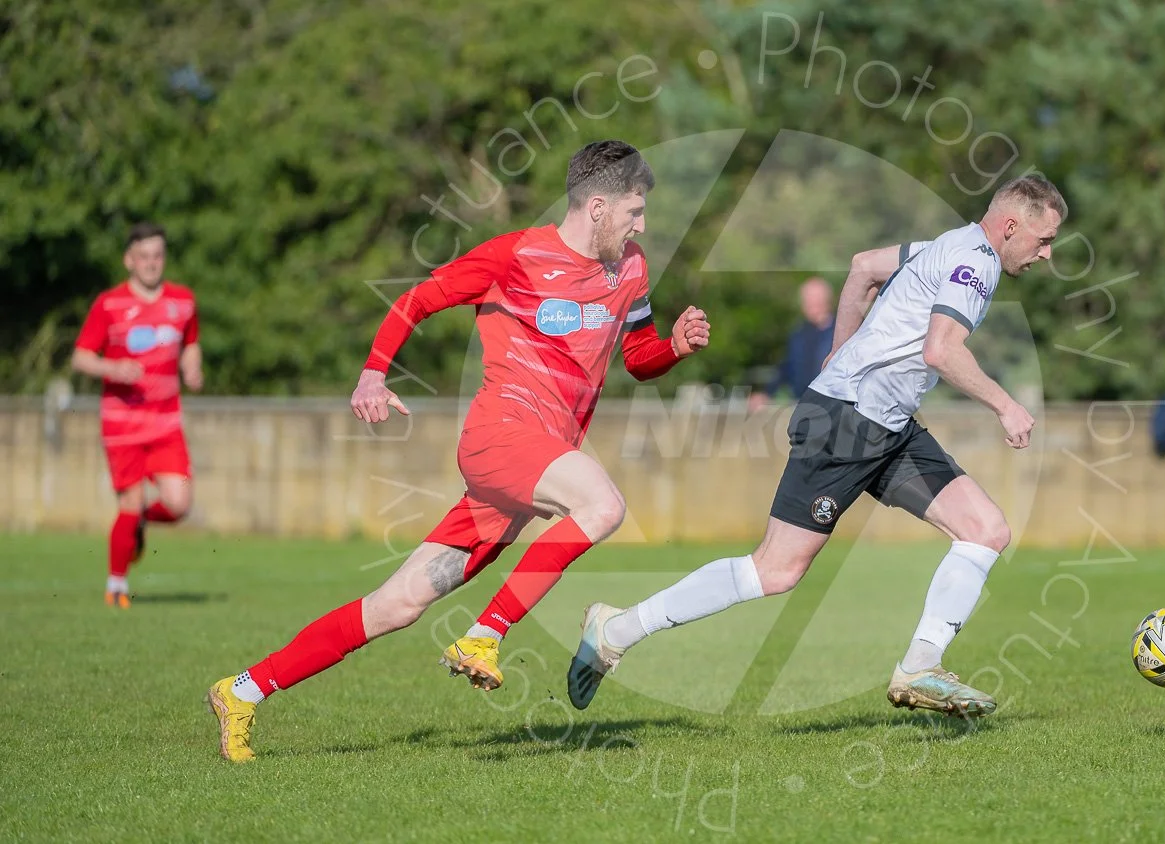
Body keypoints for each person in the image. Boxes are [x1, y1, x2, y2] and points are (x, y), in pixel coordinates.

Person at [205, 141, 711, 762]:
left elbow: (637, 357)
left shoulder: (630, 266)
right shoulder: (515, 255)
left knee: (397, 604)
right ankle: (484, 634)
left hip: (534, 464)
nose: (643, 225)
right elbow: (417, 300)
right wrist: (372, 374)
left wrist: (674, 349)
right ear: (598, 206)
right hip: (501, 436)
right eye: (635, 210)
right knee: (603, 506)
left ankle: (242, 690)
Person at [567, 174, 1065, 718]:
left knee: (986, 530)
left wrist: (839, 352)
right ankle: (616, 629)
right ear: (1010, 226)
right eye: (1043, 240)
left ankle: (920, 666)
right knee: (774, 570)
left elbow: (864, 266)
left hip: (887, 425)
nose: (1046, 254)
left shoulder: (945, 245)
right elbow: (941, 351)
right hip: (847, 424)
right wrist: (1005, 405)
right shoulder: (978, 263)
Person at [71, 223, 203, 609]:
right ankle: (116, 584)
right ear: (129, 260)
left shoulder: (183, 301)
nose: (151, 263)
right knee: (129, 502)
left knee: (179, 503)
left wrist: (193, 367)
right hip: (122, 424)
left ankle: (141, 522)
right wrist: (112, 369)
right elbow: (81, 357)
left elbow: (191, 343)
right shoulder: (109, 304)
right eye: (143, 256)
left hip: (166, 422)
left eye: (157, 255)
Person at [747, 277, 835, 412]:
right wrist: (766, 393)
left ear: (827, 301)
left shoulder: (842, 334)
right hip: (803, 406)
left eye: (815, 299)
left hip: (833, 407)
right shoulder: (798, 334)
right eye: (807, 300)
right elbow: (786, 368)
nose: (810, 304)